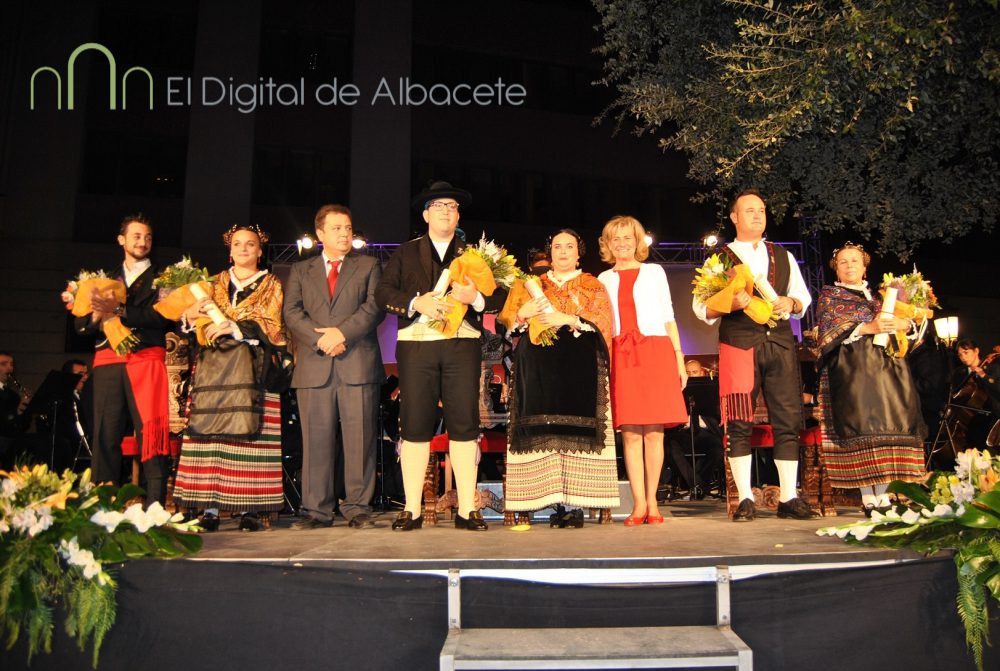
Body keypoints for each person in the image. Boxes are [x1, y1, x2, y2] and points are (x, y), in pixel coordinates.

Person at [375, 181, 506, 531]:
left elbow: (499, 298)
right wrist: (416, 302)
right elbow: (383, 293)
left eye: (451, 206)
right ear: (425, 215)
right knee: (415, 423)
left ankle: (468, 509)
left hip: (462, 346)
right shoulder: (405, 253)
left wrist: (475, 298)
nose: (445, 211)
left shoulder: (475, 255)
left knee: (464, 423)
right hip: (417, 345)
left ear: (458, 215)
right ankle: (412, 509)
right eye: (438, 206)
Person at [692, 189, 815, 522]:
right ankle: (744, 498)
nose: (758, 215)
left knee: (788, 419)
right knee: (739, 419)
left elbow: (802, 299)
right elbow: (701, 308)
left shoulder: (783, 255)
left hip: (781, 344)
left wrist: (791, 303)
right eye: (749, 210)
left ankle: (789, 497)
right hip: (739, 345)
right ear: (734, 217)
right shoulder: (720, 258)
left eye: (761, 210)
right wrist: (731, 303)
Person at [499, 229, 619, 527]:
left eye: (569, 247)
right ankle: (529, 500)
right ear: (549, 253)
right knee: (536, 431)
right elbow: (509, 328)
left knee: (579, 432)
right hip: (536, 368)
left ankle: (587, 499)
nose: (563, 252)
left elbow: (603, 323)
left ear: (579, 253)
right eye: (557, 247)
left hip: (580, 367)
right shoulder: (530, 285)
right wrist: (522, 313)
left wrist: (569, 318)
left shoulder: (593, 285)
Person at [173, 224, 288, 531]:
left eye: (250, 244)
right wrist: (190, 315)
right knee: (210, 437)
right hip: (213, 367)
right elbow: (191, 321)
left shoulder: (272, 283)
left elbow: (273, 324)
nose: (243, 248)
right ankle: (208, 508)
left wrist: (234, 326)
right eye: (238, 244)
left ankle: (250, 509)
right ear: (230, 250)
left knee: (251, 438)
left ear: (260, 250)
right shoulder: (212, 283)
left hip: (253, 366)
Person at [284, 205, 385, 529]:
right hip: (315, 366)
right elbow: (292, 312)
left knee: (360, 439)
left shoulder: (368, 265)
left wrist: (341, 334)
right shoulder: (301, 270)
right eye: (337, 228)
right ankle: (316, 510)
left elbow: (375, 307)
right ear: (320, 234)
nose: (344, 234)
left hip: (357, 363)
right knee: (316, 441)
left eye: (348, 228)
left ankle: (358, 507)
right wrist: (321, 340)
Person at [816, 243, 926, 515]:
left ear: (865, 267)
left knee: (889, 425)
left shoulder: (882, 297)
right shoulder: (830, 296)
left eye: (854, 260)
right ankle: (868, 498)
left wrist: (904, 324)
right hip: (854, 369)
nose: (849, 265)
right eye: (843, 262)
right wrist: (868, 327)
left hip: (888, 371)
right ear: (836, 269)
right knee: (863, 426)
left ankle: (885, 495)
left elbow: (913, 330)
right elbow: (828, 333)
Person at [597, 216, 687, 524]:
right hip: (621, 355)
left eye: (628, 238)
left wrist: (678, 357)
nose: (622, 244)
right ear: (608, 245)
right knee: (631, 433)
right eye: (616, 239)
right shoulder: (603, 279)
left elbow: (668, 316)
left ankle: (653, 501)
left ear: (638, 242)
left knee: (655, 433)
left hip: (655, 351)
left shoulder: (654, 272)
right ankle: (638, 504)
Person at [80, 214, 173, 506]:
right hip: (109, 360)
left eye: (147, 237)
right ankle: (104, 504)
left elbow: (162, 317)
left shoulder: (164, 277)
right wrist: (97, 312)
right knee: (105, 433)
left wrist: (119, 309)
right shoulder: (102, 279)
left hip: (146, 359)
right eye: (136, 236)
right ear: (121, 240)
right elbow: (81, 326)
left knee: (151, 433)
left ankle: (154, 506)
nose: (142, 242)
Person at [952, 338, 1000, 448]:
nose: (963, 357)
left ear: (976, 351)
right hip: (968, 420)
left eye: (966, 352)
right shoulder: (959, 373)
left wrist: (984, 376)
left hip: (991, 418)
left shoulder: (992, 369)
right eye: (960, 355)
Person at [0, 351, 32, 467]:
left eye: (11, 364)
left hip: (11, 444)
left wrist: (26, 408)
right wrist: (16, 411)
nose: (10, 368)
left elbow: (23, 425)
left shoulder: (13, 395)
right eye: (4, 364)